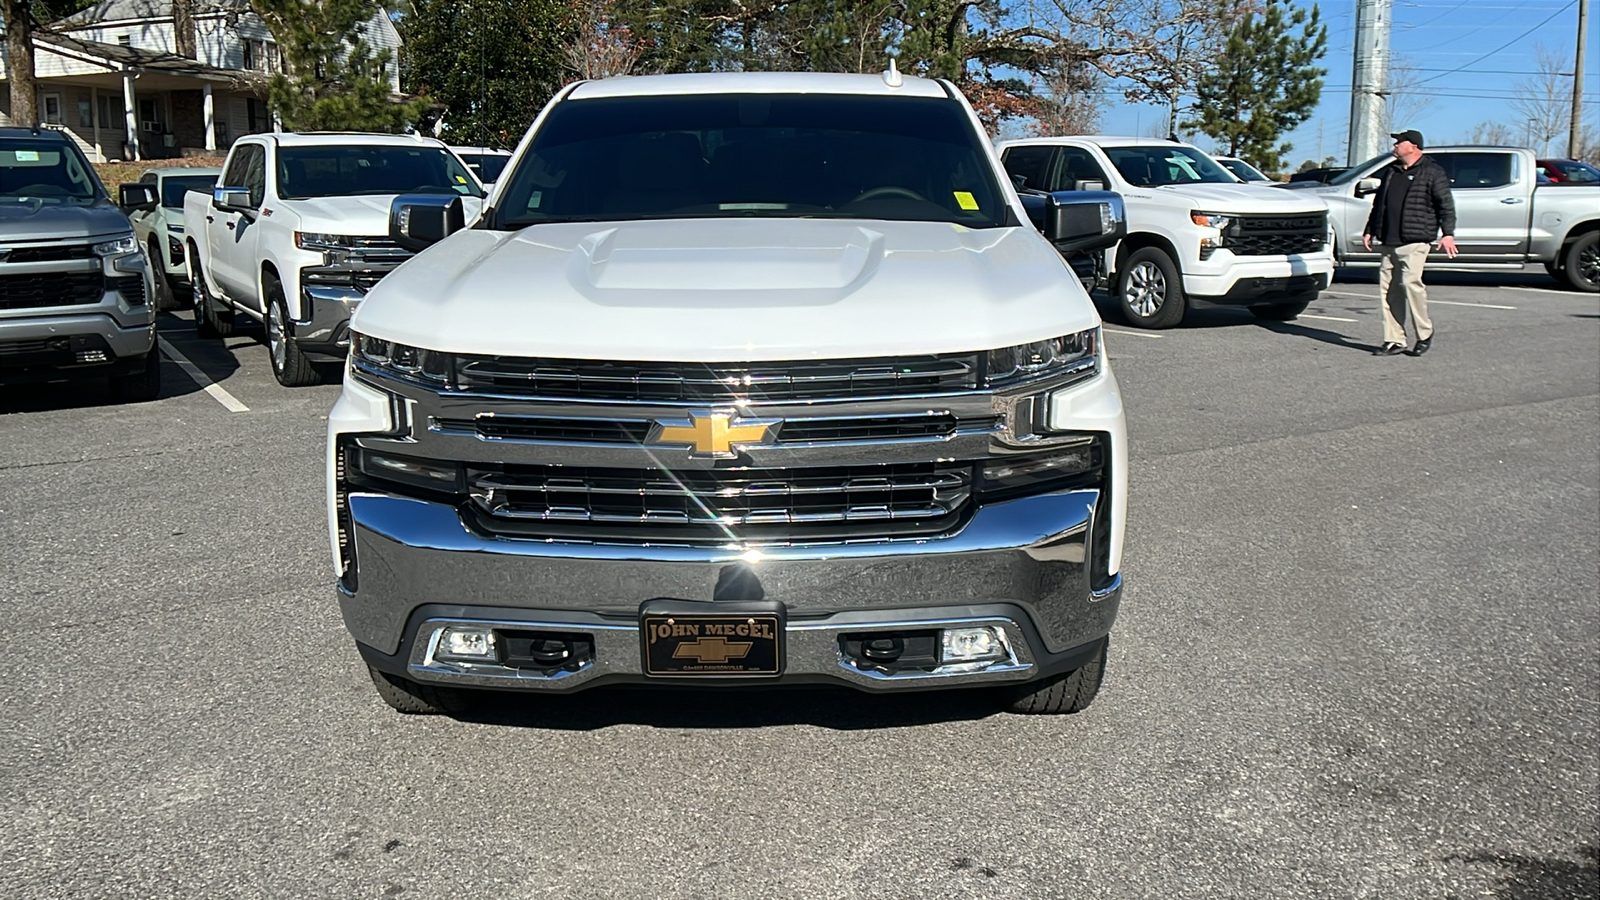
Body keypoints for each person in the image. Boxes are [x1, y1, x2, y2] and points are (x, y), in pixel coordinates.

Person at [1362, 129, 1457, 357]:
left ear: (1413, 146)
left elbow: (1446, 204)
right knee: (1389, 291)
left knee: (1411, 284)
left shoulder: (1432, 172)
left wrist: (1448, 233)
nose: (1394, 145)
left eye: (1399, 142)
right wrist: (1370, 230)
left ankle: (1424, 333)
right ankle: (1394, 340)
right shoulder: (1392, 172)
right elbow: (1379, 205)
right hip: (1389, 240)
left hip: (1415, 239)